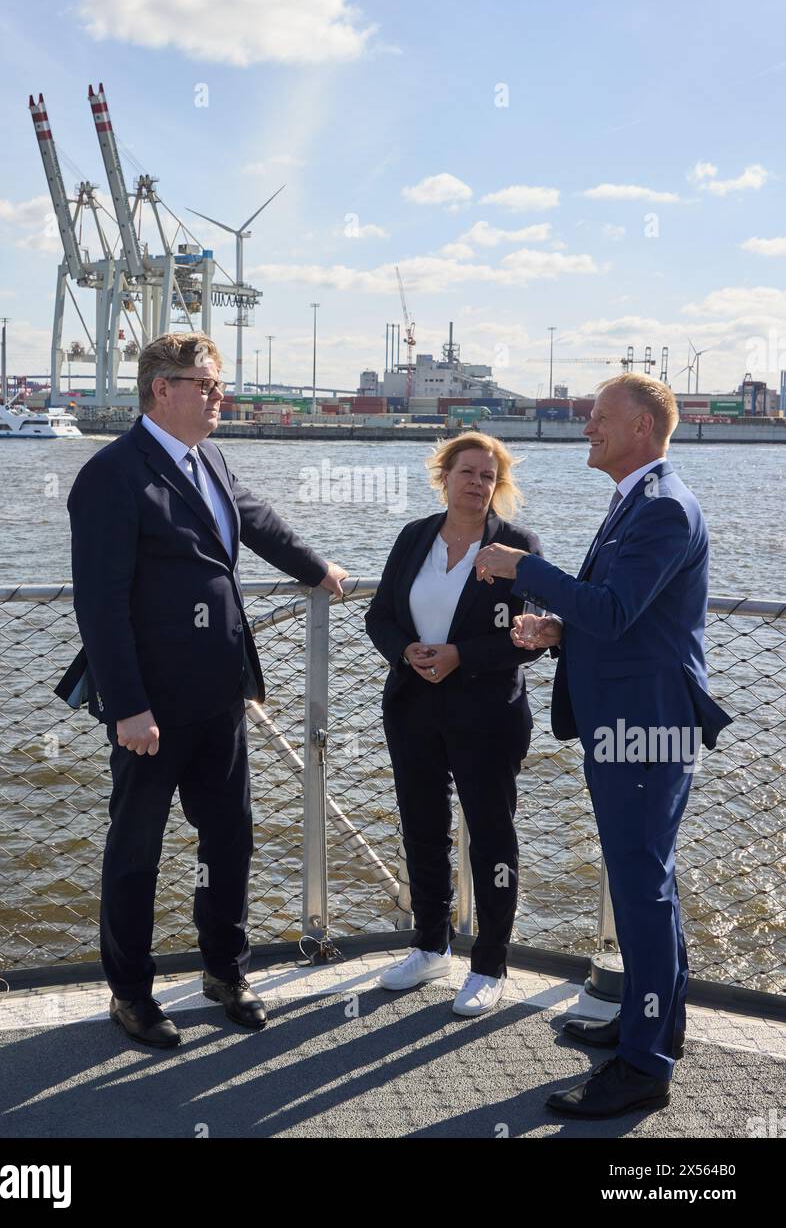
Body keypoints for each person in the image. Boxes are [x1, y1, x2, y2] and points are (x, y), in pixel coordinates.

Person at [57, 332, 347, 1048]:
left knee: (229, 841)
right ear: (163, 389)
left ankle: (226, 970)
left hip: (222, 695)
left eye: (219, 385)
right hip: (150, 707)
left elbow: (255, 520)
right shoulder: (112, 475)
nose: (223, 397)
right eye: (208, 385)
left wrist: (317, 567)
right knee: (137, 852)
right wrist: (127, 706)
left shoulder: (210, 457)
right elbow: (100, 604)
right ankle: (132, 994)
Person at [474, 373, 731, 1117]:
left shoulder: (661, 511)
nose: (587, 427)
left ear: (644, 429)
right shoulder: (639, 504)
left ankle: (644, 1065)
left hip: (644, 728)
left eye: (598, 418)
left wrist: (523, 568)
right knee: (647, 882)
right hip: (631, 718)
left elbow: (616, 611)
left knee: (643, 889)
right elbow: (631, 619)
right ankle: (654, 1023)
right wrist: (557, 629)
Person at [364, 434, 545, 1017]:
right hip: (414, 705)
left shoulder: (517, 546)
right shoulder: (414, 537)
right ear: (444, 475)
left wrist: (461, 655)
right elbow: (380, 615)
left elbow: (531, 641)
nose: (477, 483)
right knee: (422, 828)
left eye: (488, 476)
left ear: (499, 486)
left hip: (487, 713)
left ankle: (489, 963)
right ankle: (430, 943)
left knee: (492, 837)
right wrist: (407, 650)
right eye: (467, 471)